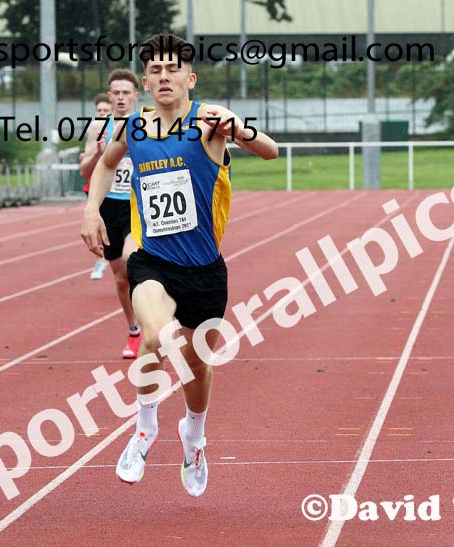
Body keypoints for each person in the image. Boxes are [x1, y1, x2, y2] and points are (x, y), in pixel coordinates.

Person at [80, 34, 278, 496]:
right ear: (146, 81)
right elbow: (106, 167)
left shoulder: (208, 122)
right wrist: (91, 210)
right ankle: (144, 427)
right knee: (153, 336)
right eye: (155, 70)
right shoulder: (133, 128)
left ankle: (194, 435)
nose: (163, 76)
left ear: (190, 78)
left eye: (173, 70)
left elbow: (270, 150)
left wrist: (239, 129)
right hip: (153, 262)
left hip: (206, 271)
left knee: (196, 364)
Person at [80, 70, 142, 357]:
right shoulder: (97, 128)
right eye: (115, 92)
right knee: (120, 277)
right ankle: (134, 331)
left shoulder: (146, 124)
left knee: (134, 261)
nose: (120, 97)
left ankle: (155, 318)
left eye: (125, 92)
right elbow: (84, 171)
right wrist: (98, 155)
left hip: (138, 205)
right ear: (109, 94)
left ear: (136, 95)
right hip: (110, 207)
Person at [82, 93, 112, 280]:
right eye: (99, 110)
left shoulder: (123, 126)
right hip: (96, 186)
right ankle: (102, 257)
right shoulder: (94, 130)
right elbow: (85, 166)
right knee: (99, 220)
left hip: (122, 191)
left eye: (105, 111)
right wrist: (93, 156)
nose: (102, 113)